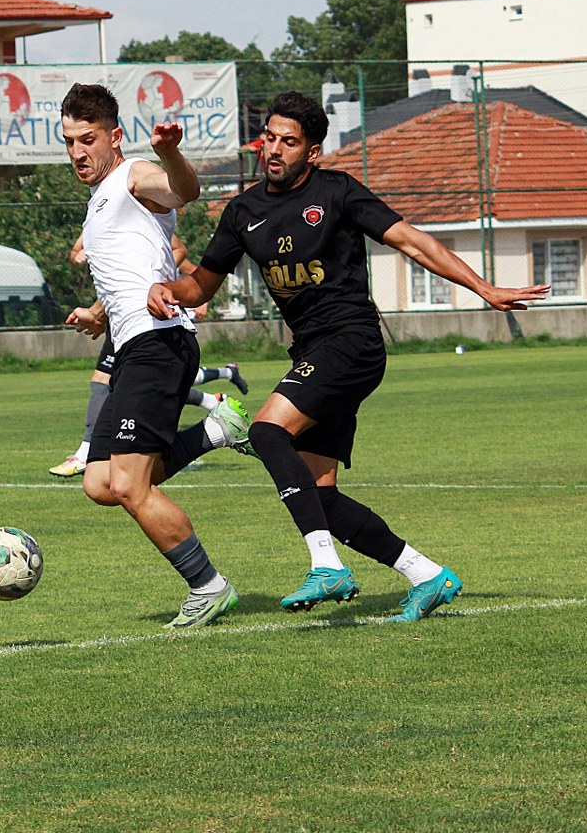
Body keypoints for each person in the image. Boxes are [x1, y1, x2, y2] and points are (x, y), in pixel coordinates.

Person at [147, 91, 550, 622]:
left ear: (312, 152)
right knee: (322, 497)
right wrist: (167, 290)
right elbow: (201, 285)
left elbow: (412, 241)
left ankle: (325, 566)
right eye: (269, 138)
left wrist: (484, 287)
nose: (274, 150)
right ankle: (427, 575)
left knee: (267, 433)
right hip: (312, 350)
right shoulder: (244, 210)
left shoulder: (336, 191)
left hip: (352, 341)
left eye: (288, 142)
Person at [60, 82, 248, 630]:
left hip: (158, 344)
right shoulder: (99, 204)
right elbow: (127, 269)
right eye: (69, 141)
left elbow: (182, 191)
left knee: (128, 484)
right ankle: (216, 432)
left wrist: (169, 152)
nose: (77, 152)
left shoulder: (135, 173)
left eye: (87, 139)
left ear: (114, 137)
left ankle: (209, 587)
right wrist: (98, 313)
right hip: (136, 344)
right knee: (99, 482)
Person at [50, 234, 249, 477]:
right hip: (118, 317)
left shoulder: (131, 204)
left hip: (145, 319)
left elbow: (182, 255)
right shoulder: (95, 215)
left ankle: (84, 451)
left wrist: (179, 289)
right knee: (101, 483)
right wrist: (78, 261)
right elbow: (78, 257)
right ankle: (215, 413)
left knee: (104, 383)